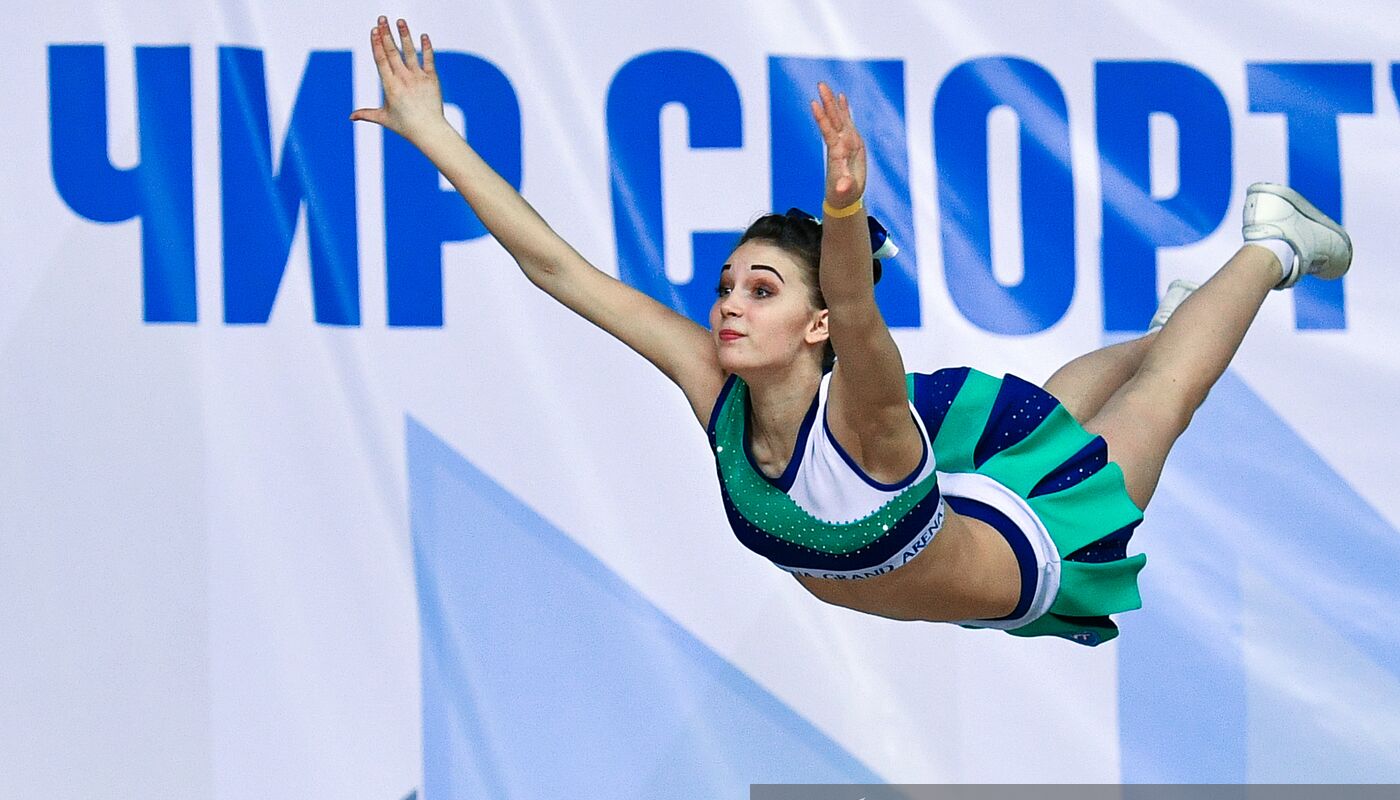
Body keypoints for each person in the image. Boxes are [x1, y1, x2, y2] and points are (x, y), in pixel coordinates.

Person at [352, 17, 1352, 646]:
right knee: (1050, 411)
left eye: (760, 289)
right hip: (951, 512)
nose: (729, 305)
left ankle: (1271, 247)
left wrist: (840, 215)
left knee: (1159, 405)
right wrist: (436, 131)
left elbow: (862, 311)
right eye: (725, 286)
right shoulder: (715, 388)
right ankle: (1177, 323)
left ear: (815, 323)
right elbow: (558, 268)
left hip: (1026, 553)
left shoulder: (868, 415)